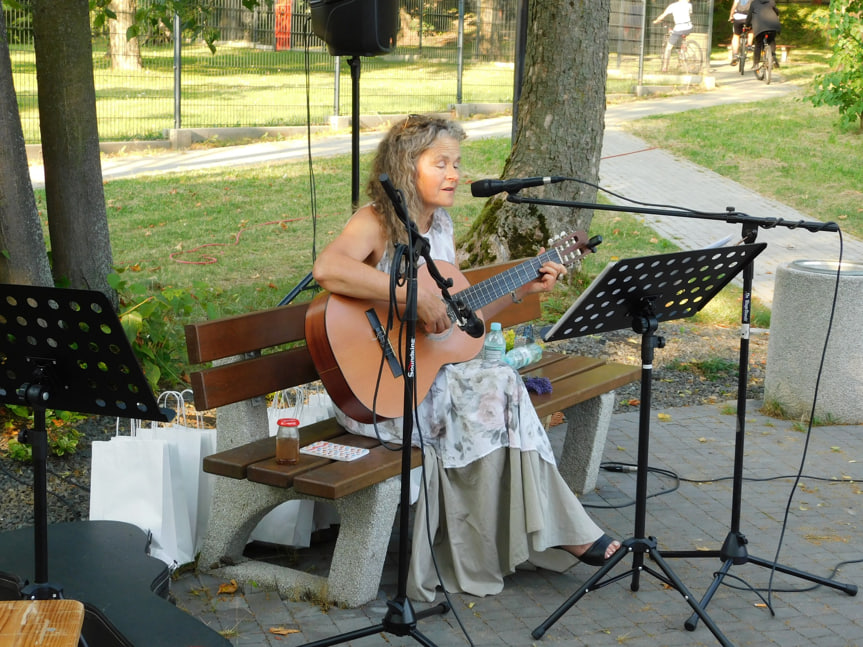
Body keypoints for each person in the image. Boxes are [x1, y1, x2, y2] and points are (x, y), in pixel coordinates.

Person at [311, 114, 621, 601]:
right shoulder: (375, 221)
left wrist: (523, 287)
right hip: (381, 392)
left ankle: (526, 536)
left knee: (498, 384)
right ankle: (556, 533)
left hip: (429, 377)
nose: (456, 174)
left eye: (457, 162)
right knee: (497, 387)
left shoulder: (442, 226)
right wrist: (411, 293)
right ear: (406, 166)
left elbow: (457, 321)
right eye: (442, 163)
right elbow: (327, 269)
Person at [652, 0, 693, 73]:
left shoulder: (673, 6)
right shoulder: (689, 5)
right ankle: (682, 50)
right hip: (689, 27)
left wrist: (656, 21)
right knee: (682, 36)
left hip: (679, 28)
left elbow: (662, 16)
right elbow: (690, 14)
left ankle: (665, 68)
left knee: (668, 48)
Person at [746, 0, 781, 71]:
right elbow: (777, 12)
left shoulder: (754, 3)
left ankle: (756, 64)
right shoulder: (771, 1)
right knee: (771, 40)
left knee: (758, 44)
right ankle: (773, 57)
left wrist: (747, 25)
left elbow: (749, 15)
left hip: (760, 27)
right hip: (773, 25)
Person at [728, 0, 754, 65]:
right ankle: (749, 46)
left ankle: (735, 55)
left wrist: (731, 16)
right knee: (751, 30)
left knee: (736, 36)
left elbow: (734, 7)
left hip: (738, 18)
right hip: (749, 18)